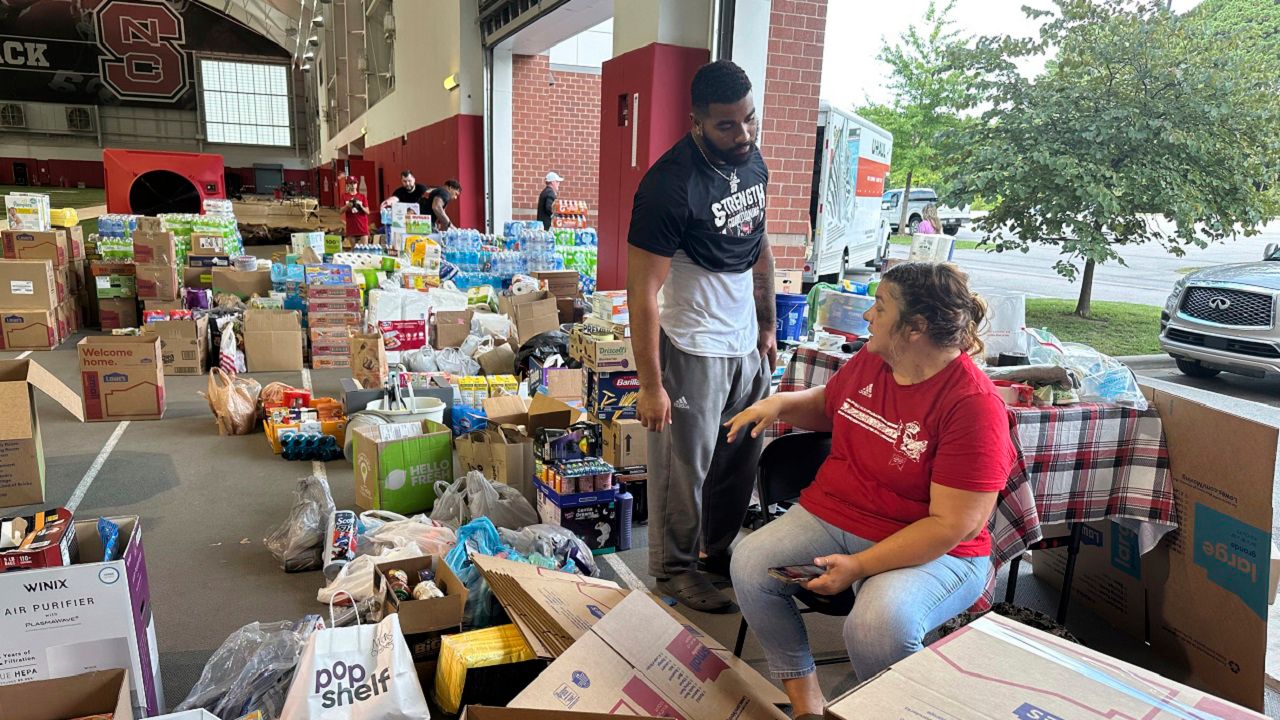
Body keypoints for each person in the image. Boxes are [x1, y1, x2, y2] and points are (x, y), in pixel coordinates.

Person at [725, 262, 1017, 716]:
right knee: (749, 563)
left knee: (876, 626)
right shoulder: (876, 359)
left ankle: (899, 711)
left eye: (880, 307)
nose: (867, 316)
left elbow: (952, 525)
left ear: (915, 328)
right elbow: (829, 406)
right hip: (836, 513)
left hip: (939, 549)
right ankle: (808, 707)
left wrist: (860, 566)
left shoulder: (973, 406)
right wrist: (780, 403)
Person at [626, 59, 775, 614]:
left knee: (739, 462)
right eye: (727, 127)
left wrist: (767, 323)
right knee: (682, 472)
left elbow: (758, 243)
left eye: (749, 120)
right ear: (696, 123)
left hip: (744, 346)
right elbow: (641, 289)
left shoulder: (752, 161)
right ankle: (674, 570)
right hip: (690, 345)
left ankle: (716, 555)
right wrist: (650, 385)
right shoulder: (669, 184)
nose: (743, 135)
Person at [340, 176, 369, 249]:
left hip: (362, 225)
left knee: (364, 249)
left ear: (357, 184)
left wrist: (361, 206)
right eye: (351, 183)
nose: (353, 185)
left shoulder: (362, 196)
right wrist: (347, 206)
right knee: (354, 250)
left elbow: (368, 212)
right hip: (351, 226)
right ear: (348, 185)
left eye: (354, 183)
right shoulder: (344, 196)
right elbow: (340, 211)